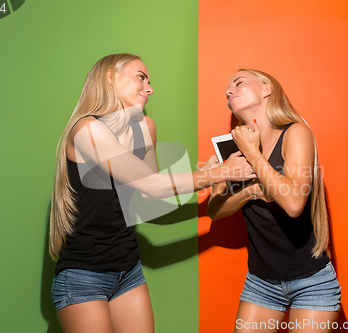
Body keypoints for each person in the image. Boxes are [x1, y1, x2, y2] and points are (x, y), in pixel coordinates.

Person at [49, 53, 256, 333]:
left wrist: (207, 173)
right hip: (83, 274)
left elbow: (150, 194)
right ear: (110, 77)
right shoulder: (87, 129)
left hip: (128, 269)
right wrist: (219, 174)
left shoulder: (145, 127)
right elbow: (151, 185)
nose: (150, 88)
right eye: (141, 77)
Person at [207, 68, 341, 333]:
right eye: (227, 90)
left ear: (267, 88)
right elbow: (215, 210)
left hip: (312, 281)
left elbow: (292, 205)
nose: (229, 91)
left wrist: (251, 153)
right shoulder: (230, 147)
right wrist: (251, 191)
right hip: (261, 283)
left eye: (239, 82)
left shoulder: (295, 132)